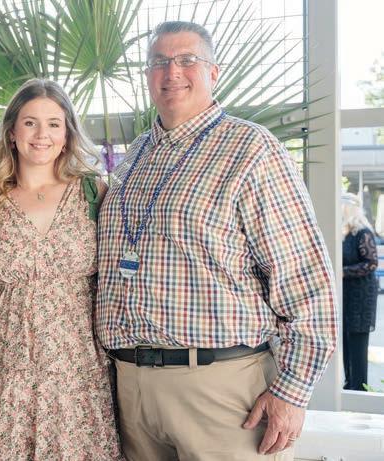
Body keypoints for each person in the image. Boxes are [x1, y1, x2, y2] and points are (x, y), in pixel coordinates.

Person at [96, 21, 337, 461]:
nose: (172, 72)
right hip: (130, 387)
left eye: (187, 60)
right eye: (159, 62)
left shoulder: (252, 149)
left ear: (213, 72)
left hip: (222, 389)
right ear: (147, 75)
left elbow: (304, 277)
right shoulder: (134, 157)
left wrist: (292, 392)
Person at [0, 78, 121, 460]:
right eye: (30, 122)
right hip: (5, 359)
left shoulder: (93, 191)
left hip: (77, 361)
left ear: (66, 135)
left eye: (53, 124)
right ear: (12, 132)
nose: (41, 134)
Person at [342, 192, 378, 391]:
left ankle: (359, 388)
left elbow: (371, 263)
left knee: (357, 343)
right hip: (346, 295)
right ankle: (349, 384)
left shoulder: (363, 233)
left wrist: (344, 271)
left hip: (361, 297)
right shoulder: (345, 234)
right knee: (347, 342)